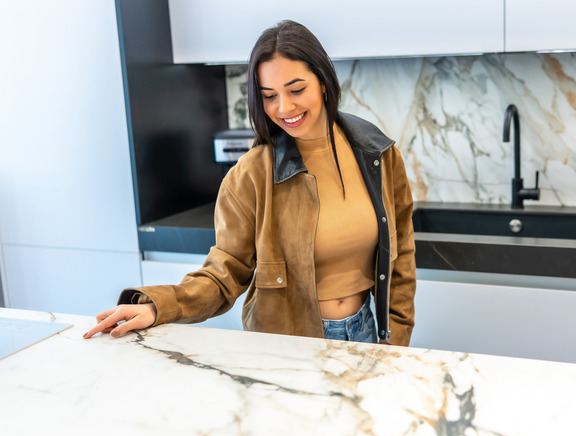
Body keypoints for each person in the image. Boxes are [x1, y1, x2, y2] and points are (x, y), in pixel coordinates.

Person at [83, 20, 416, 346]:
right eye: (269, 96)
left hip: (366, 334)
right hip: (284, 344)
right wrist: (160, 306)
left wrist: (396, 341)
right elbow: (223, 273)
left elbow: (401, 257)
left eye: (296, 89)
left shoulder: (379, 156)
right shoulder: (250, 175)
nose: (284, 107)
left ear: (324, 81)